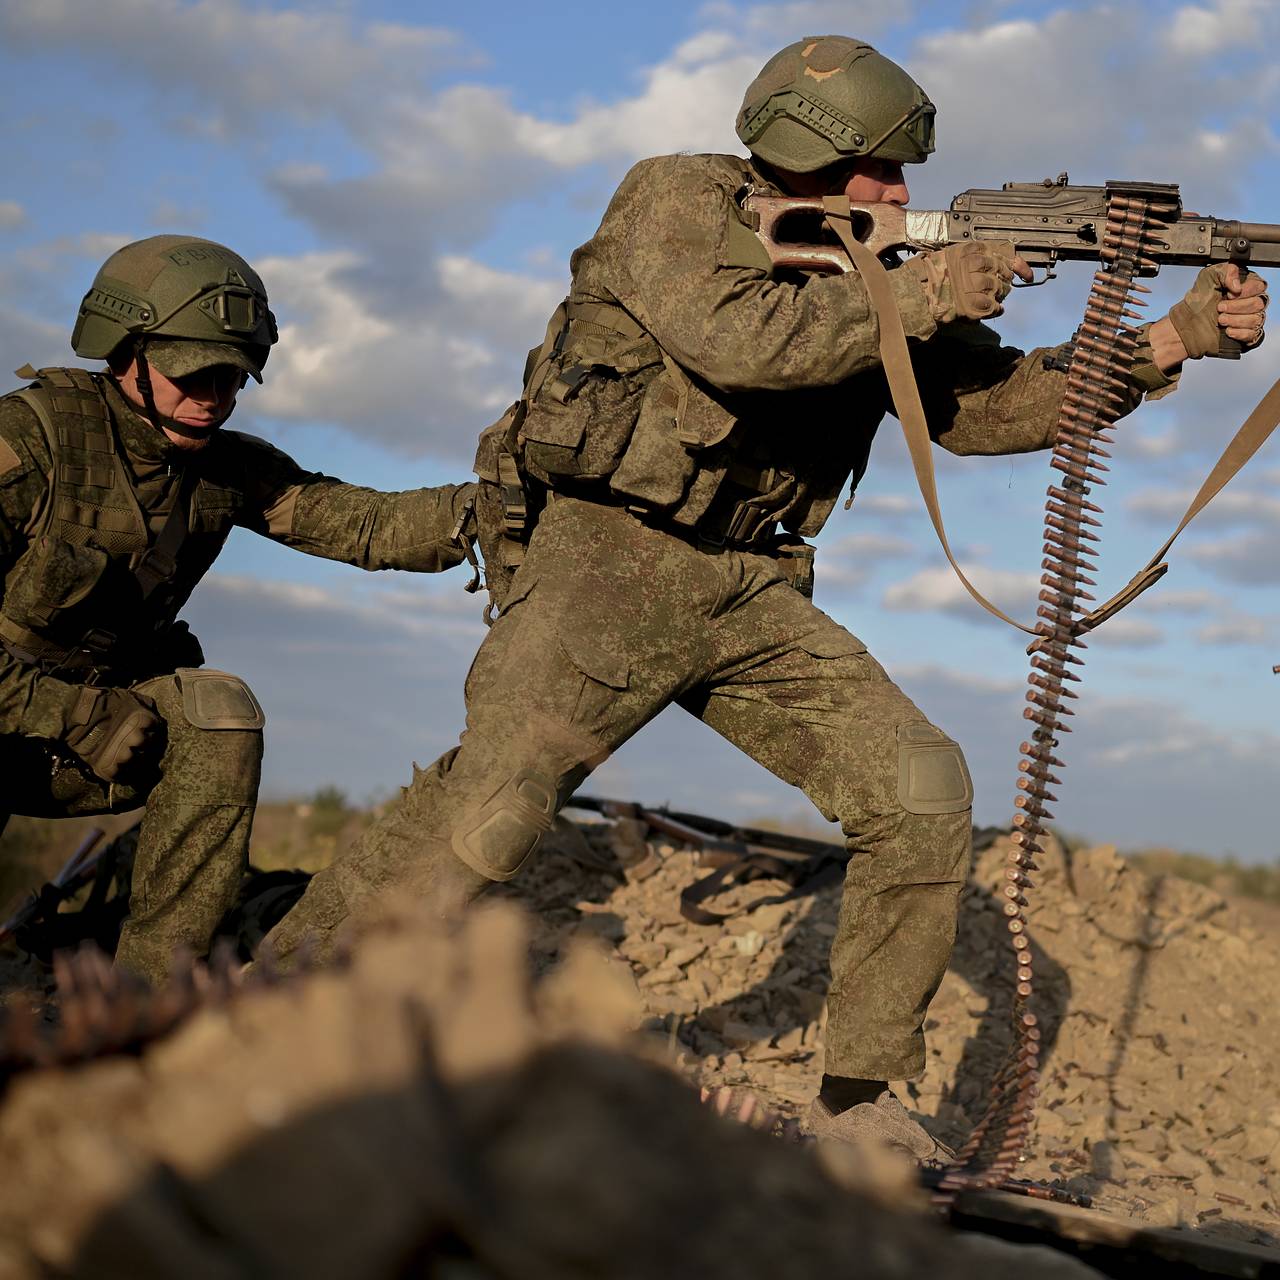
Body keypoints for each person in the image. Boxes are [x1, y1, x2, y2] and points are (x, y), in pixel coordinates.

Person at [262, 37, 1268, 1156]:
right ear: (808, 154)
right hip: (605, 556)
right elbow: (732, 341)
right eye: (878, 171)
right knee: (493, 810)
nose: (897, 194)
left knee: (922, 791)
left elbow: (976, 412)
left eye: (903, 175)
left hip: (751, 581)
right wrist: (925, 285)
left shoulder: (879, 267)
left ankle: (858, 1100)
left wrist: (1167, 339)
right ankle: (258, 1023)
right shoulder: (675, 198)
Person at [0, 235, 478, 985]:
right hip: (26, 729)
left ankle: (145, 1006)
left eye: (232, 376)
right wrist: (75, 717)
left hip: (92, 746)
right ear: (124, 350)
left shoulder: (225, 468)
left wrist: (492, 509)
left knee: (214, 711)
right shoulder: (30, 446)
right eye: (195, 372)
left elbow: (362, 522)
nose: (214, 396)